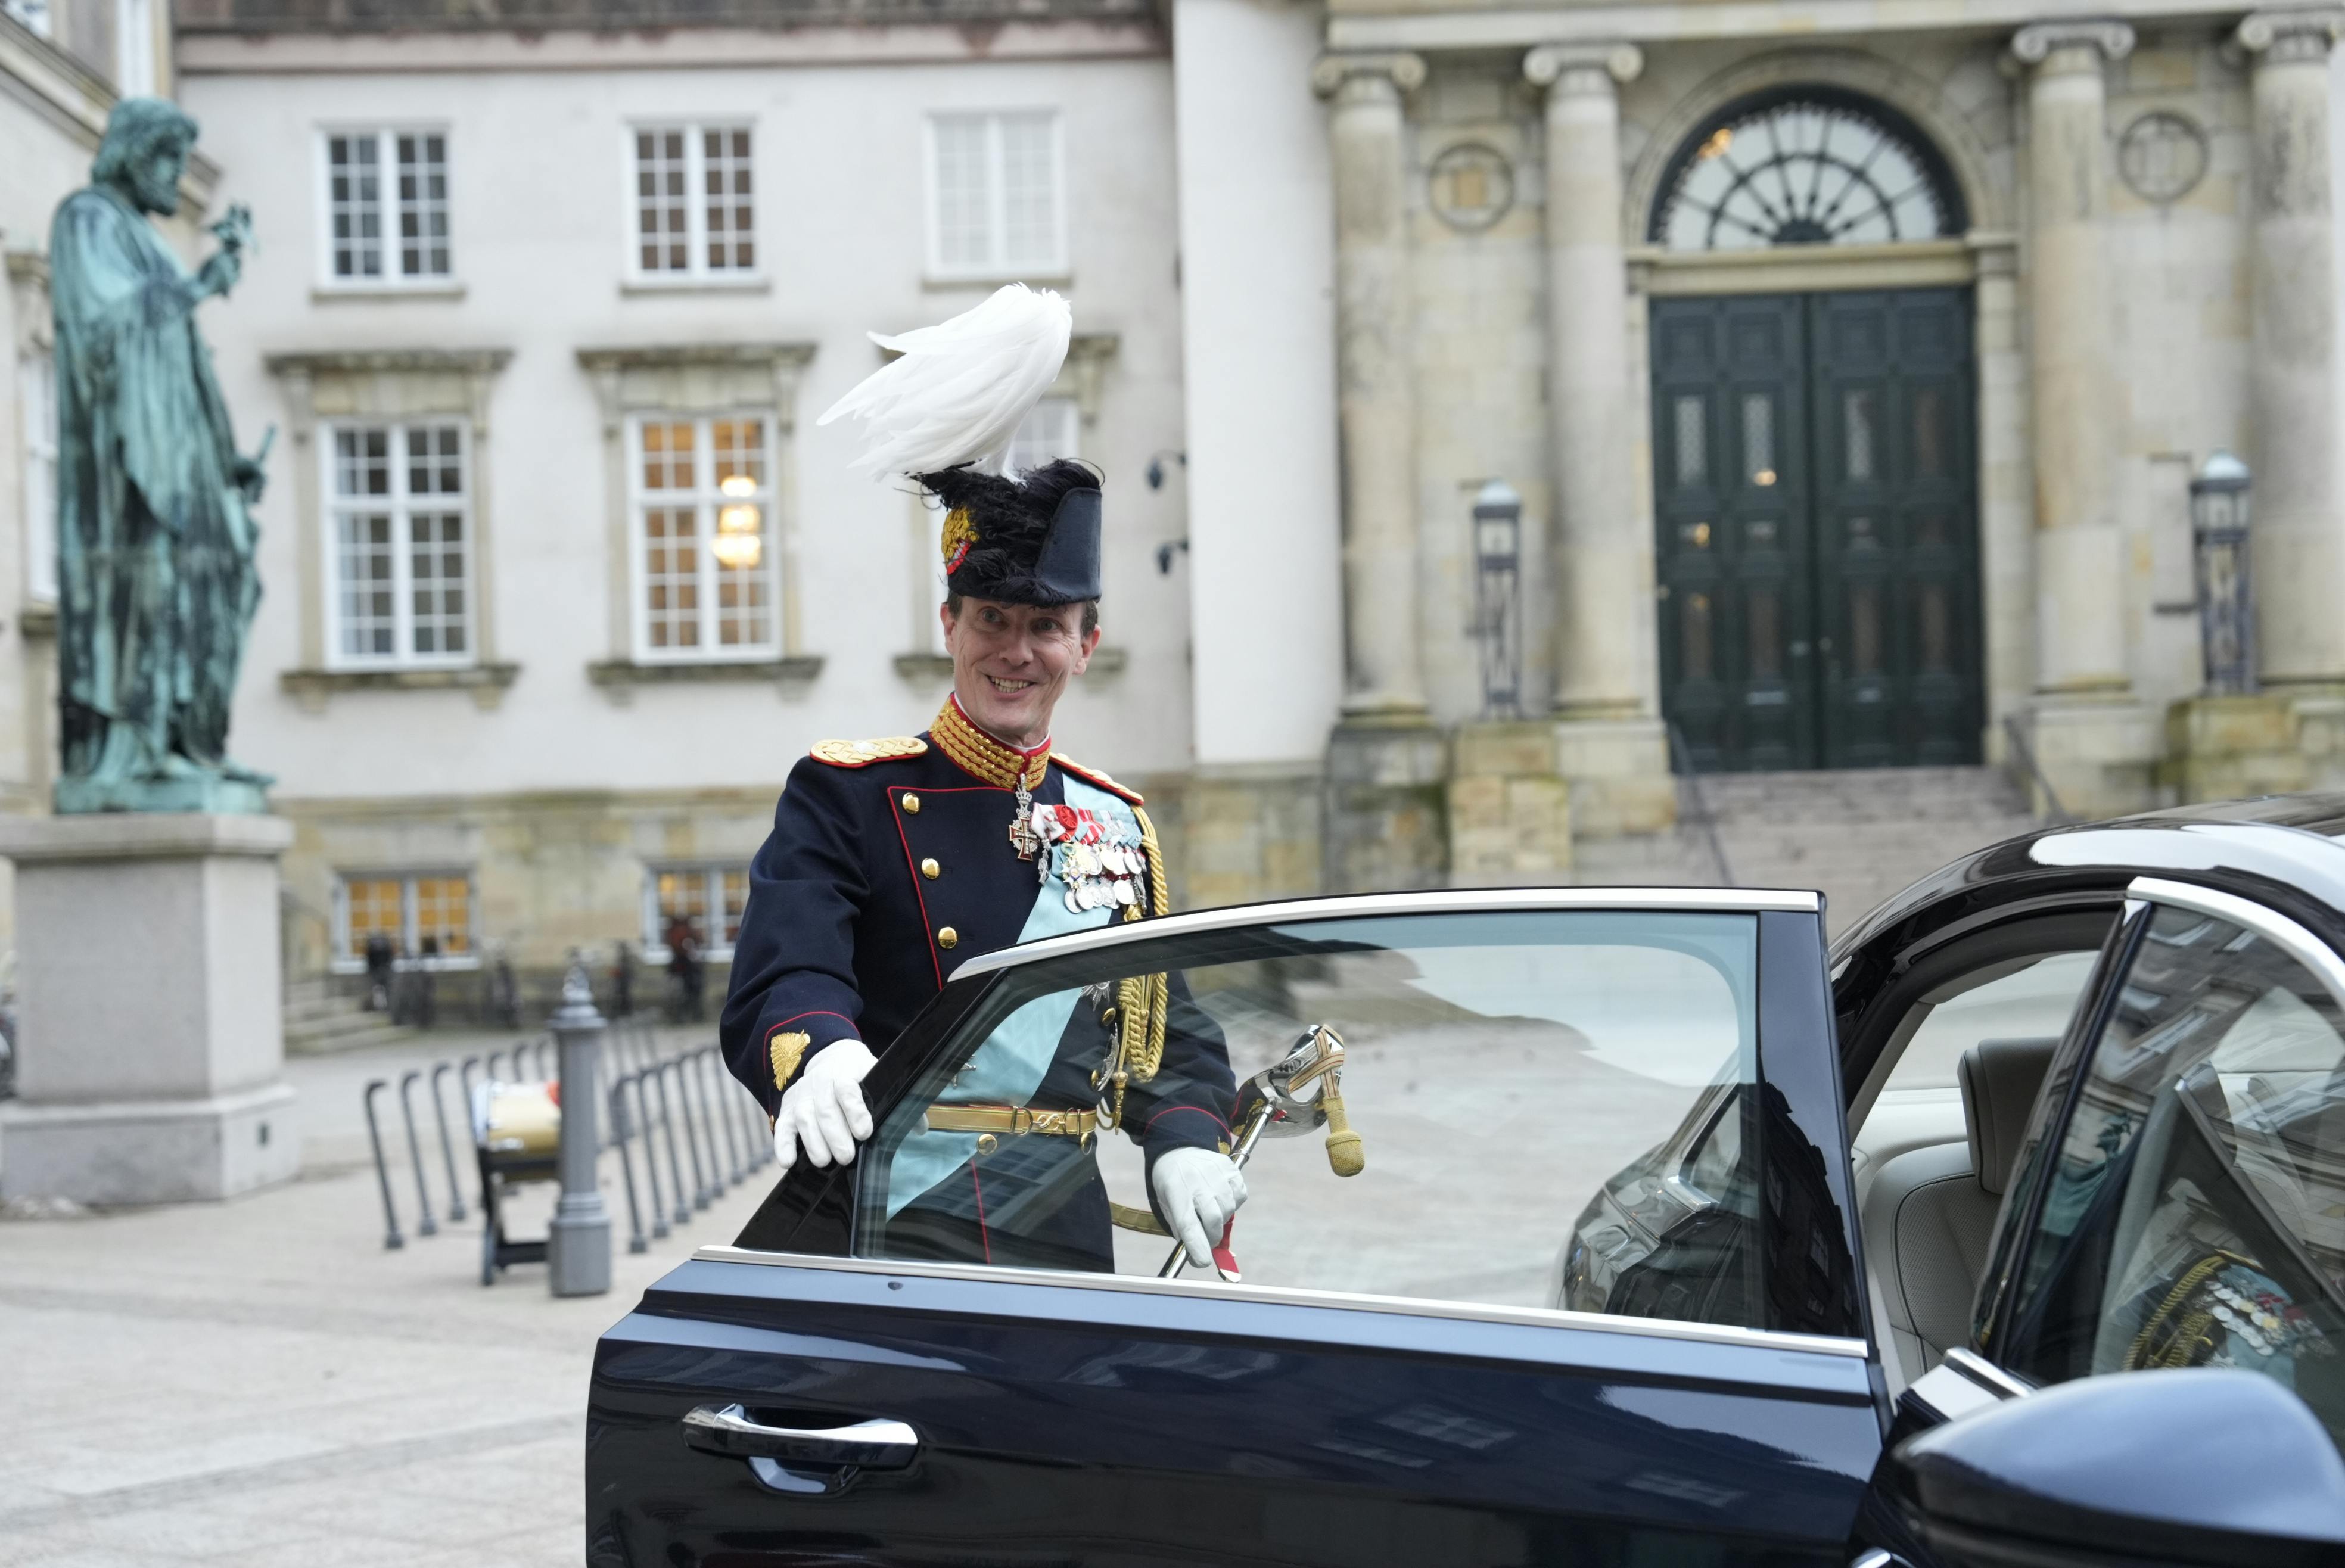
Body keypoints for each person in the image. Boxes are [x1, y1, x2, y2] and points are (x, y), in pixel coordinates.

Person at [721, 285, 1245, 1273]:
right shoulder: (849, 797)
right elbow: (790, 965)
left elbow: (1161, 1026)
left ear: (1086, 644)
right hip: (897, 1216)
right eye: (991, 621)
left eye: (1044, 626)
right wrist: (821, 1048)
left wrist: (1183, 1138)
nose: (1017, 652)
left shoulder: (1114, 825)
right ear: (947, 628)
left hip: (1058, 1230)